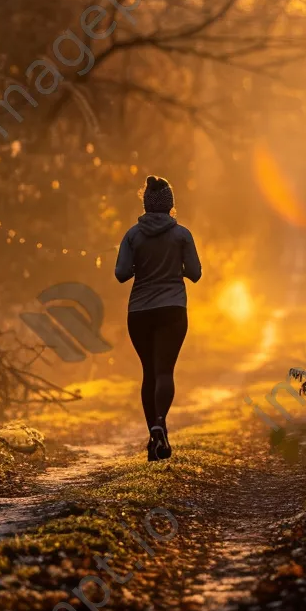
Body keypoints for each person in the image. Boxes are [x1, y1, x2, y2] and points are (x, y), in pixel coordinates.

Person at [114, 176, 202, 461]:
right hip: (173, 309)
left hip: (139, 312)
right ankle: (159, 424)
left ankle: (154, 437)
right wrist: (176, 267)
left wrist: (142, 263)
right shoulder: (182, 235)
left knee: (149, 373)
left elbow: (121, 274)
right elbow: (196, 273)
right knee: (165, 372)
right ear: (170, 204)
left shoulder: (132, 235)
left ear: (146, 203)